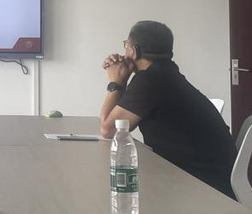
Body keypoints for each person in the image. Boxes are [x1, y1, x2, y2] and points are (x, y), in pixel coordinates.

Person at [99, 20, 237, 198]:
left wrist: (115, 82)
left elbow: (108, 130)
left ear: (133, 51)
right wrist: (123, 78)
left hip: (202, 182)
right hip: (215, 172)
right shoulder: (165, 72)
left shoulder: (149, 81)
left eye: (126, 45)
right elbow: (117, 125)